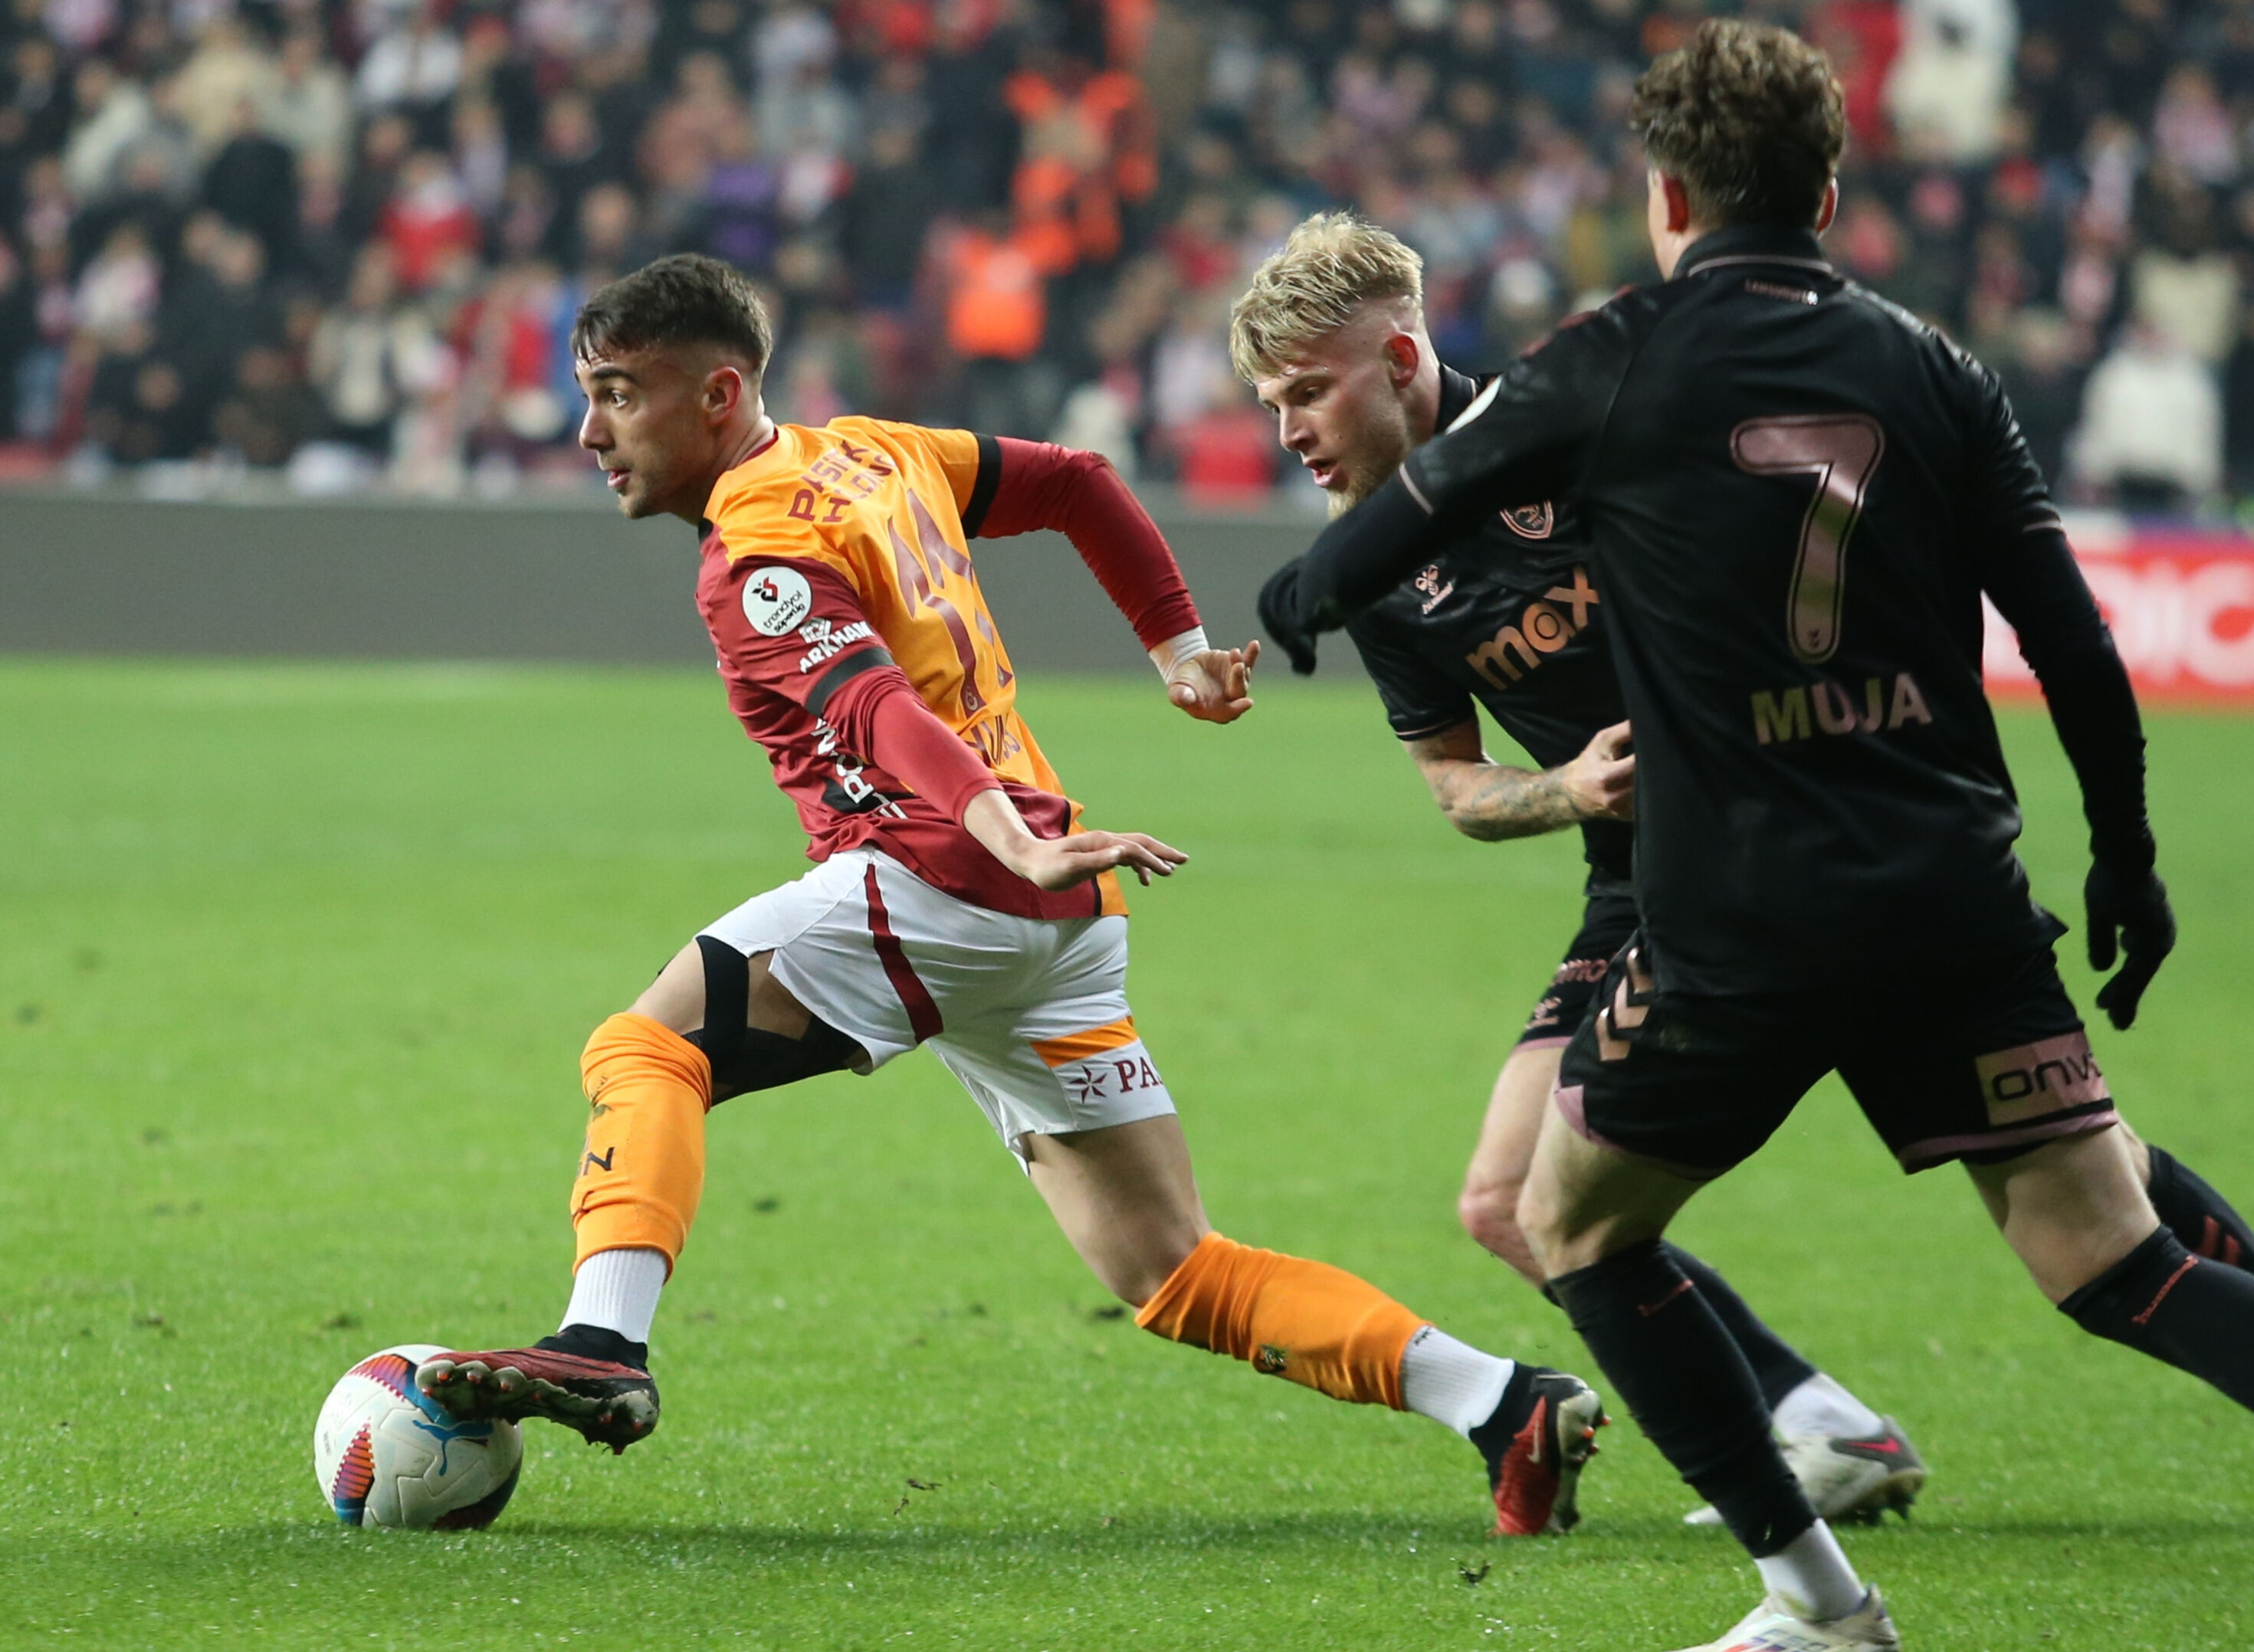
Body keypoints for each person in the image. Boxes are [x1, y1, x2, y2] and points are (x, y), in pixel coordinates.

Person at [1256, 23, 2254, 1652]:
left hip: (1733, 906)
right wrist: (2123, 859)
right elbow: (2074, 640)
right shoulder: (1933, 367)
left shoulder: (1607, 358)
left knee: (1563, 1225)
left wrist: (1290, 602)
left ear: (1663, 194)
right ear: (1824, 189)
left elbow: (1380, 537)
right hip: (1950, 886)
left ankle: (1814, 1593)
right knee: (2110, 1251)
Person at [413, 254, 1606, 1539]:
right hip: (1055, 919)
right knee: (1172, 1268)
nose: (589, 430)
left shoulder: (758, 551)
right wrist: (1177, 650)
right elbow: (1082, 483)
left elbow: (874, 706)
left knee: (644, 1046)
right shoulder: (873, 451)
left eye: (615, 395)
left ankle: (604, 1339)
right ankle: (1504, 1403)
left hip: (947, 883)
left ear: (717, 393)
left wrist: (997, 829)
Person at [1228, 212, 1927, 1528]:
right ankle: (1822, 1423)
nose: (1290, 432)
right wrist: (1566, 788)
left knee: (2069, 1185)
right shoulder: (1370, 565)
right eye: (1271, 405)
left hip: (1800, 828)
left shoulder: (1577, 429)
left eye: (1307, 392)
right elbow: (1452, 784)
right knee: (1504, 1200)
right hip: (1637, 880)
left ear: (1399, 354)